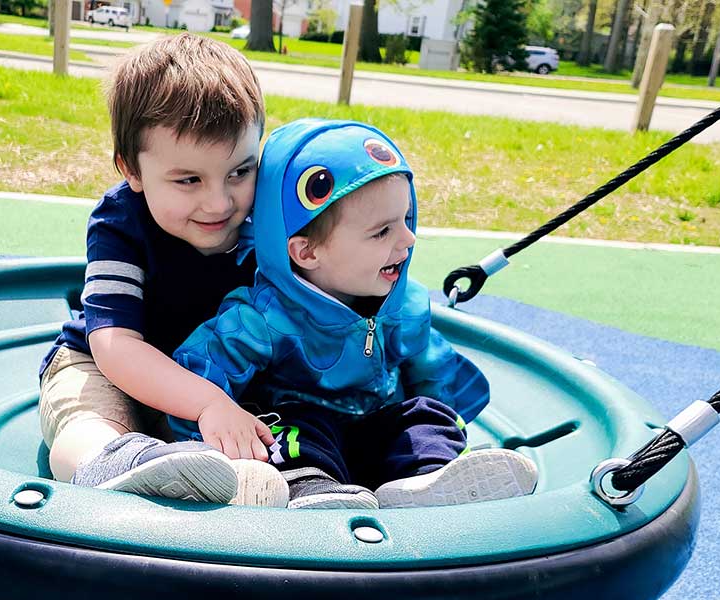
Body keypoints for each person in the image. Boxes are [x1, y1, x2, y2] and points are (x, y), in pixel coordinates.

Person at [170, 119, 538, 509]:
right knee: (294, 427)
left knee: (425, 416)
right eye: (383, 231)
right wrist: (210, 443)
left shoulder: (404, 306)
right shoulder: (263, 317)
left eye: (406, 220)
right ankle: (310, 490)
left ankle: (428, 480)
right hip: (306, 437)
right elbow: (202, 371)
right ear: (306, 252)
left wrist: (446, 424)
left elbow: (434, 374)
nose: (408, 240)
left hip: (378, 431)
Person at [37, 33, 287, 506]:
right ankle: (113, 462)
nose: (220, 202)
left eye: (240, 171)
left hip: (220, 375)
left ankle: (263, 482)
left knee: (275, 419)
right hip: (106, 365)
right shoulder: (122, 220)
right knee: (86, 421)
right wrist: (208, 402)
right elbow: (115, 346)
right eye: (188, 179)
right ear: (131, 169)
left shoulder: (266, 216)